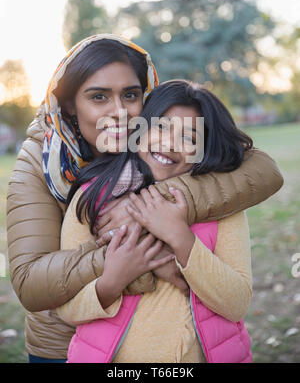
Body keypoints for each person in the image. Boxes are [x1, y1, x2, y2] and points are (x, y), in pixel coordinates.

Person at [6, 34, 283, 363]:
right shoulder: (38, 164)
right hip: (62, 343)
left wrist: (149, 206)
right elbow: (30, 283)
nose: (120, 111)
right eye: (98, 97)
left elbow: (263, 169)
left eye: (131, 95)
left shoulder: (155, 136)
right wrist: (132, 259)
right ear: (69, 104)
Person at [57, 80, 254, 363]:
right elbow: (67, 308)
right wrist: (112, 282)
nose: (170, 143)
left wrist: (181, 238)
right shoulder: (92, 199)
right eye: (160, 127)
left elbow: (237, 304)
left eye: (189, 138)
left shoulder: (225, 209)